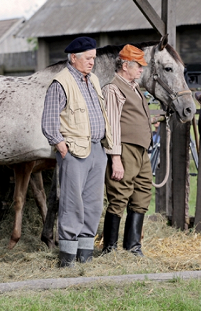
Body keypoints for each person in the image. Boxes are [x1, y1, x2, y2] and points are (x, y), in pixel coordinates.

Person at [41, 36, 112, 267]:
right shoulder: (60, 82)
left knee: (93, 204)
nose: (92, 62)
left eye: (94, 58)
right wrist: (61, 146)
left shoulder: (92, 80)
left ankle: (85, 256)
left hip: (96, 149)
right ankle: (67, 259)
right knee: (72, 203)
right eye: (88, 58)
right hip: (73, 152)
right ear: (73, 58)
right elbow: (49, 121)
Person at [101, 44, 153, 257]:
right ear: (125, 65)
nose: (141, 70)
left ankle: (133, 247)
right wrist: (115, 158)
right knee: (119, 195)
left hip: (141, 150)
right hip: (124, 149)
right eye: (138, 66)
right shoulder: (113, 89)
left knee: (142, 193)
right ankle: (110, 249)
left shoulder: (134, 88)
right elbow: (111, 125)